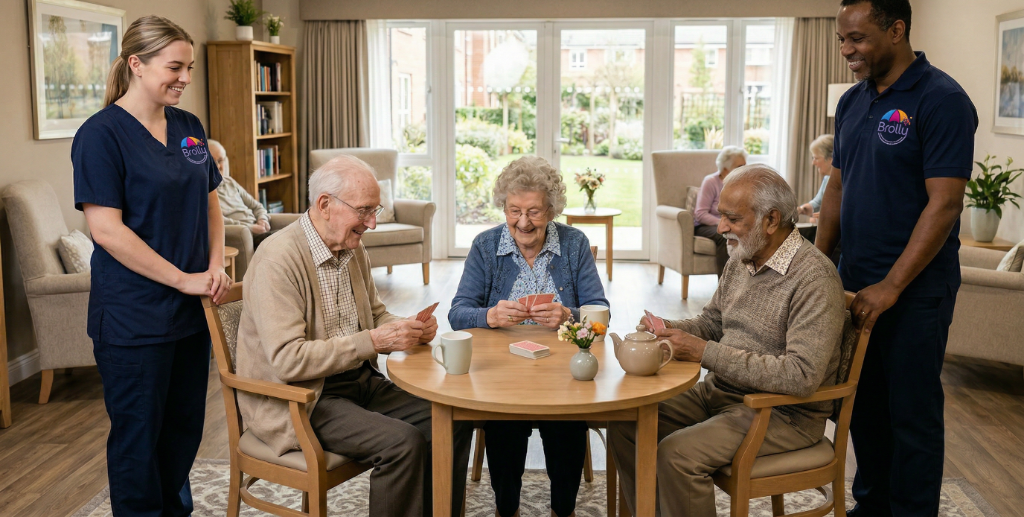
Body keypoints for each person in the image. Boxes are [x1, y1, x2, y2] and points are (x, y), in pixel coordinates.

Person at [235, 154, 471, 517]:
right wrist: (375, 342)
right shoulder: (277, 260)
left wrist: (406, 327)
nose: (373, 223)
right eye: (364, 211)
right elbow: (288, 361)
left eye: (375, 211)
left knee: (451, 419)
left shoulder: (351, 246)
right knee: (402, 443)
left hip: (357, 380)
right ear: (325, 205)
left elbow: (374, 315)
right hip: (302, 399)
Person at [817, 0, 977, 517]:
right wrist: (819, 264)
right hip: (853, 282)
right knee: (863, 406)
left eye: (857, 39)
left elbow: (945, 204)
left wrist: (890, 286)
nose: (848, 51)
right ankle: (872, 504)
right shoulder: (853, 100)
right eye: (842, 41)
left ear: (897, 29)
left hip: (914, 291)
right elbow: (837, 187)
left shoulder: (942, 100)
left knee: (911, 414)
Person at [609, 164, 845, 516]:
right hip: (723, 394)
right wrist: (668, 328)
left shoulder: (814, 279)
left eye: (732, 218)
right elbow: (712, 322)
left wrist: (705, 353)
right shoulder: (743, 257)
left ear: (771, 220)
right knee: (627, 420)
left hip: (781, 413)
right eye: (721, 216)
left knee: (678, 455)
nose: (720, 228)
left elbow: (801, 376)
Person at [71, 15, 231, 517]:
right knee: (139, 438)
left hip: (191, 312)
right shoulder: (100, 136)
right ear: (136, 65)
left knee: (183, 429)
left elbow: (210, 204)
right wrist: (183, 278)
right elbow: (107, 231)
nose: (185, 77)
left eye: (189, 67)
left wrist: (211, 267)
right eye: (174, 67)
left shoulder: (188, 128)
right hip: (134, 316)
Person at [449, 155, 609, 517]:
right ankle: (508, 511)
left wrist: (570, 315)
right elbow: (458, 313)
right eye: (513, 210)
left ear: (552, 210)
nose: (523, 222)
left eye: (534, 212)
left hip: (562, 370)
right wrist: (488, 315)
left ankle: (562, 510)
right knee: (504, 425)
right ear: (503, 207)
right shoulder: (485, 246)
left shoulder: (574, 243)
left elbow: (601, 312)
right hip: (502, 372)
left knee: (566, 426)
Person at [208, 139, 274, 247]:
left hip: (259, 231)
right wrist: (249, 228)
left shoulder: (230, 182)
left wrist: (262, 219)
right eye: (212, 162)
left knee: (300, 235)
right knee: (287, 242)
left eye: (220, 161)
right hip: (245, 235)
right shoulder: (202, 192)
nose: (218, 166)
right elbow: (215, 221)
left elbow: (256, 206)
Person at [693, 146, 747, 276]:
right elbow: (700, 214)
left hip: (733, 225)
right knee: (726, 236)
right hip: (706, 226)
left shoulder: (744, 184)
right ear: (725, 169)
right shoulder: (711, 182)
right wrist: (725, 224)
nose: (744, 170)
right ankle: (725, 286)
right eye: (739, 167)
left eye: (745, 165)